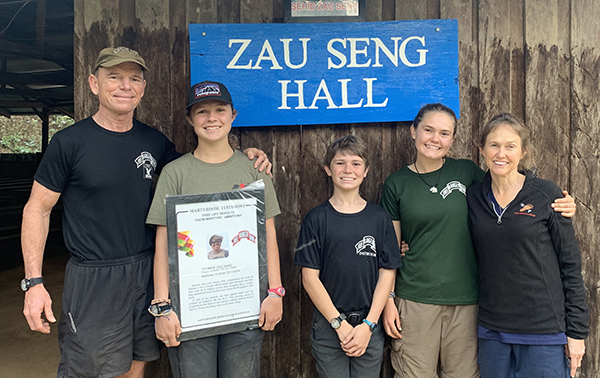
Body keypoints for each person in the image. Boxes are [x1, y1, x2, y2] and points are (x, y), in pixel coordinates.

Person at [20, 47, 270, 378]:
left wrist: (245, 156)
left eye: (134, 78)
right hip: (95, 275)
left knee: (136, 367)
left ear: (143, 87)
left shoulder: (153, 142)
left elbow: (200, 167)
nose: (125, 86)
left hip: (144, 272)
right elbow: (37, 208)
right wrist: (33, 283)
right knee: (89, 370)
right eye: (115, 77)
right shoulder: (69, 142)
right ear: (94, 84)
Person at [380, 103, 577, 378]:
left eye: (444, 133)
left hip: (469, 302)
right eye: (428, 130)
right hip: (415, 298)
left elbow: (511, 182)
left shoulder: (468, 174)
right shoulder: (395, 183)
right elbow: (390, 249)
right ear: (413, 131)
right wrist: (388, 300)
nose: (435, 138)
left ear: (453, 139)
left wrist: (559, 202)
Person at [146, 80, 283, 378]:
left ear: (232, 115)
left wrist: (275, 292)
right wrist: (162, 307)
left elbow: (267, 235)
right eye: (202, 111)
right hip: (191, 310)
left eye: (219, 110)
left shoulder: (254, 170)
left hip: (245, 305)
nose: (212, 118)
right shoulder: (174, 173)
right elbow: (163, 245)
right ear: (189, 119)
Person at [467, 113, 589, 378]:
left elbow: (570, 265)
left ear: (522, 152)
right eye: (494, 145)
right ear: (482, 150)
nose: (501, 153)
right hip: (492, 330)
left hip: (542, 331)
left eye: (510, 146)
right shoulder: (473, 196)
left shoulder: (547, 195)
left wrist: (577, 333)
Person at [295, 135, 402, 378]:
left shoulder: (379, 218)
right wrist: (339, 325)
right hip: (329, 326)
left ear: (366, 171)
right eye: (340, 163)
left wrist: (369, 325)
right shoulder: (315, 219)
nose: (348, 170)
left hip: (369, 324)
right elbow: (309, 279)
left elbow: (387, 273)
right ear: (327, 169)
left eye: (356, 163)